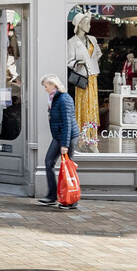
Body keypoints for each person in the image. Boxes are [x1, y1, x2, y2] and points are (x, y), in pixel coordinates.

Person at [37, 74, 78, 208]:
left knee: (68, 168)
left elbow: (68, 123)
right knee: (49, 162)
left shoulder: (64, 99)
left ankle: (71, 201)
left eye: (46, 86)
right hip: (58, 136)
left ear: (54, 85)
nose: (45, 89)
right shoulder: (53, 99)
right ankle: (52, 196)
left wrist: (65, 145)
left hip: (68, 136)